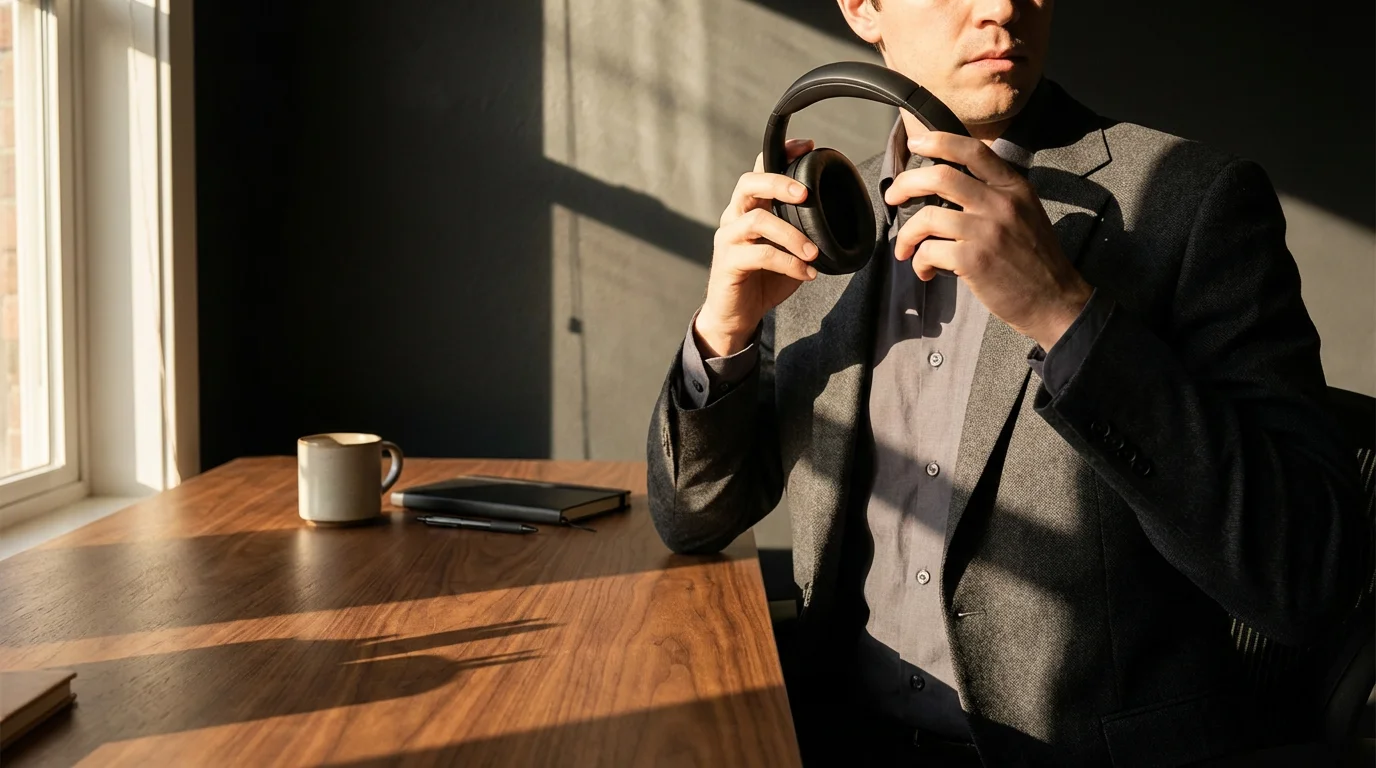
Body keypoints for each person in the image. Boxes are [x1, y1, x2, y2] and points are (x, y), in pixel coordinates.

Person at [646, 0, 1371, 765]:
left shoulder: (1196, 203)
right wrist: (722, 332)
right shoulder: (823, 219)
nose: (1001, 6)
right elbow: (691, 517)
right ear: (862, 8)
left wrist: (1066, 315)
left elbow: (1306, 581)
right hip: (836, 738)